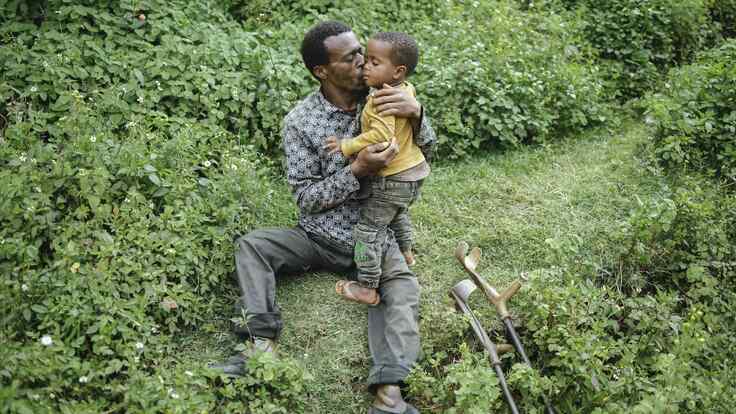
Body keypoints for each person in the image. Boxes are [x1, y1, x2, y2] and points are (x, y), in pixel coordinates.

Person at [209, 21, 436, 414]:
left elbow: (424, 153)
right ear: (322, 71)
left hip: (374, 234)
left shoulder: (385, 92)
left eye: (361, 53)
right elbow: (306, 198)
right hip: (318, 235)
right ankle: (257, 347)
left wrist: (418, 116)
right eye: (350, 58)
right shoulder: (300, 122)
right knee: (253, 246)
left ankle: (389, 394)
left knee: (401, 290)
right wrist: (356, 170)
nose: (363, 61)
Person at [324, 31, 429, 307]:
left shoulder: (380, 99)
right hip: (413, 173)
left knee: (367, 232)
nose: (365, 66)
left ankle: (367, 286)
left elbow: (381, 136)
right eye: (365, 59)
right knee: (396, 213)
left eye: (373, 62)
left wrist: (349, 145)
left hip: (394, 177)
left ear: (397, 71)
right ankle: (406, 252)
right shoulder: (405, 90)